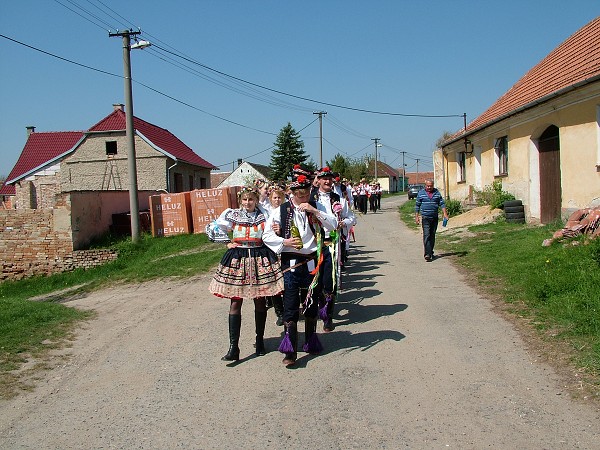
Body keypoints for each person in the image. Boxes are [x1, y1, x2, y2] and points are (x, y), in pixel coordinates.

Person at [262, 174, 338, 366]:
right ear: (292, 194)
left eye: (306, 194)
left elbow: (333, 225)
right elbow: (266, 235)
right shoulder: (281, 211)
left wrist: (314, 211)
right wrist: (284, 241)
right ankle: (290, 350)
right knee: (290, 304)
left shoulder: (316, 207)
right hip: (291, 262)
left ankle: (311, 341)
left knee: (311, 303)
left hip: (312, 262)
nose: (303, 198)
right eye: (299, 195)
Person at [208, 186, 284, 361]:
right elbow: (213, 227)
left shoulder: (265, 214)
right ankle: (233, 347)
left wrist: (277, 231)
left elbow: (272, 232)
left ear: (256, 200)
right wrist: (227, 242)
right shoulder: (232, 214)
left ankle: (260, 341)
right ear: (240, 200)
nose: (247, 203)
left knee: (260, 301)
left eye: (251, 199)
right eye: (244, 199)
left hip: (260, 257)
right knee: (235, 302)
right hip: (238, 259)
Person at [311, 166, 355, 331]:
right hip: (314, 246)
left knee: (330, 281)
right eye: (324, 179)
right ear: (319, 181)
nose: (328, 181)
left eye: (330, 179)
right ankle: (320, 310)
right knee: (317, 282)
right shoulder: (311, 198)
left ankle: (327, 315)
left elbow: (352, 218)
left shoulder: (339, 199)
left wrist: (344, 223)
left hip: (332, 245)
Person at [415, 179, 448, 262]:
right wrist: (417, 216)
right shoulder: (421, 193)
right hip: (425, 217)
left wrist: (445, 214)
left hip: (434, 217)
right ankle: (427, 254)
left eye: (431, 186)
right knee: (426, 235)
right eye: (428, 186)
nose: (429, 187)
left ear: (433, 185)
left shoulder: (436, 193)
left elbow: (442, 203)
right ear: (425, 185)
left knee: (432, 235)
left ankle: (430, 252)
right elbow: (417, 205)